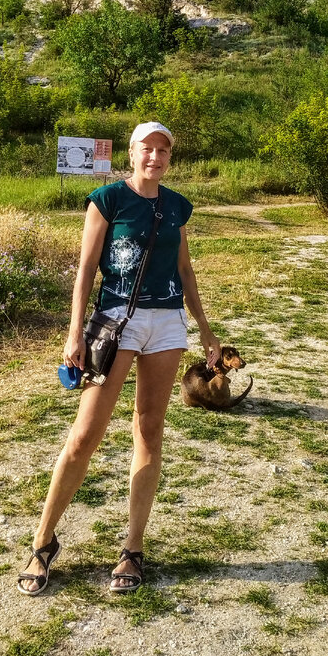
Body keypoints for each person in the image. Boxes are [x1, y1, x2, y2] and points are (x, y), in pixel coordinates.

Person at [16, 121, 221, 597]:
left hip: (167, 324)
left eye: (163, 150)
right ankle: (43, 542)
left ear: (170, 157)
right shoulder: (106, 199)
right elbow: (86, 268)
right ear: (131, 153)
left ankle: (132, 548)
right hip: (115, 323)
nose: (155, 157)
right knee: (85, 433)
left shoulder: (177, 207)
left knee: (149, 429)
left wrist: (206, 331)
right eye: (146, 149)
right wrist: (74, 333)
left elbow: (185, 269)